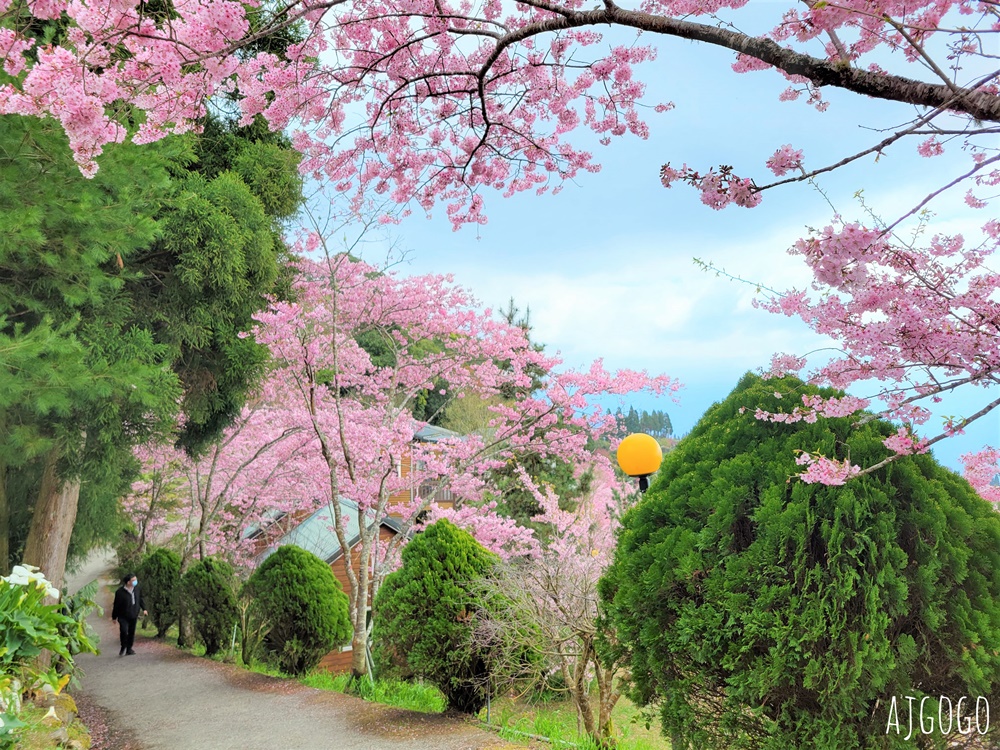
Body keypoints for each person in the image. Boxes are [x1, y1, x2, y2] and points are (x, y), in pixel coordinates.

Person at [111, 572, 147, 656]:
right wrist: (114, 617)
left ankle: (129, 648)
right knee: (124, 631)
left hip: (133, 615)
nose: (135, 581)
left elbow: (140, 599)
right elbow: (116, 605)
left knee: (131, 632)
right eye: (133, 580)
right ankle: (123, 646)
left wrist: (144, 608)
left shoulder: (137, 589)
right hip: (123, 616)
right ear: (128, 582)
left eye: (136, 580)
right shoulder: (120, 592)